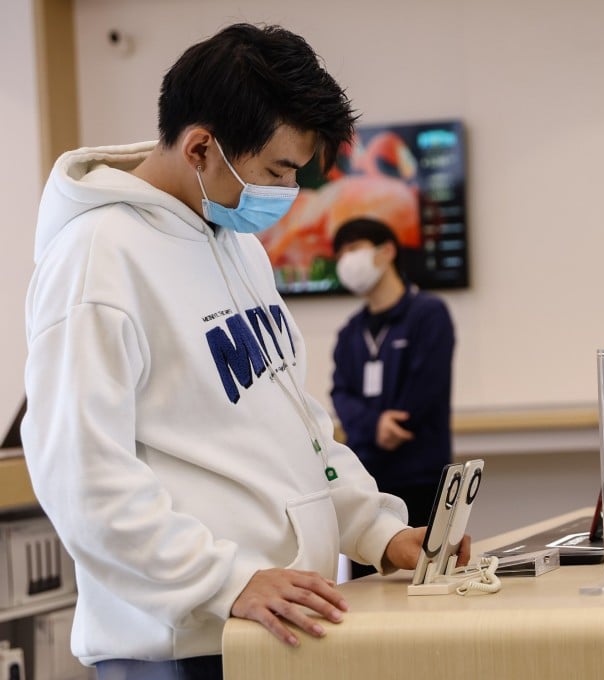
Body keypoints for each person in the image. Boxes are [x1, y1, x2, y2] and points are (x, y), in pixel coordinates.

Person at [20, 23, 466, 680]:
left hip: (271, 629)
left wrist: (377, 532)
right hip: (183, 645)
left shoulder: (237, 247)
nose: (286, 193)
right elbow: (82, 474)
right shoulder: (97, 259)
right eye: (276, 170)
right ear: (201, 147)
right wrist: (222, 580)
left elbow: (297, 428)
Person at [330, 218, 456, 576]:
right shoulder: (350, 332)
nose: (346, 262)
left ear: (386, 252)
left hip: (420, 474)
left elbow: (428, 383)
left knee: (427, 578)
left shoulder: (428, 314)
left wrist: (397, 422)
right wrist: (375, 425)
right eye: (341, 254)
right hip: (366, 478)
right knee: (367, 587)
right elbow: (341, 392)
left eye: (353, 250)